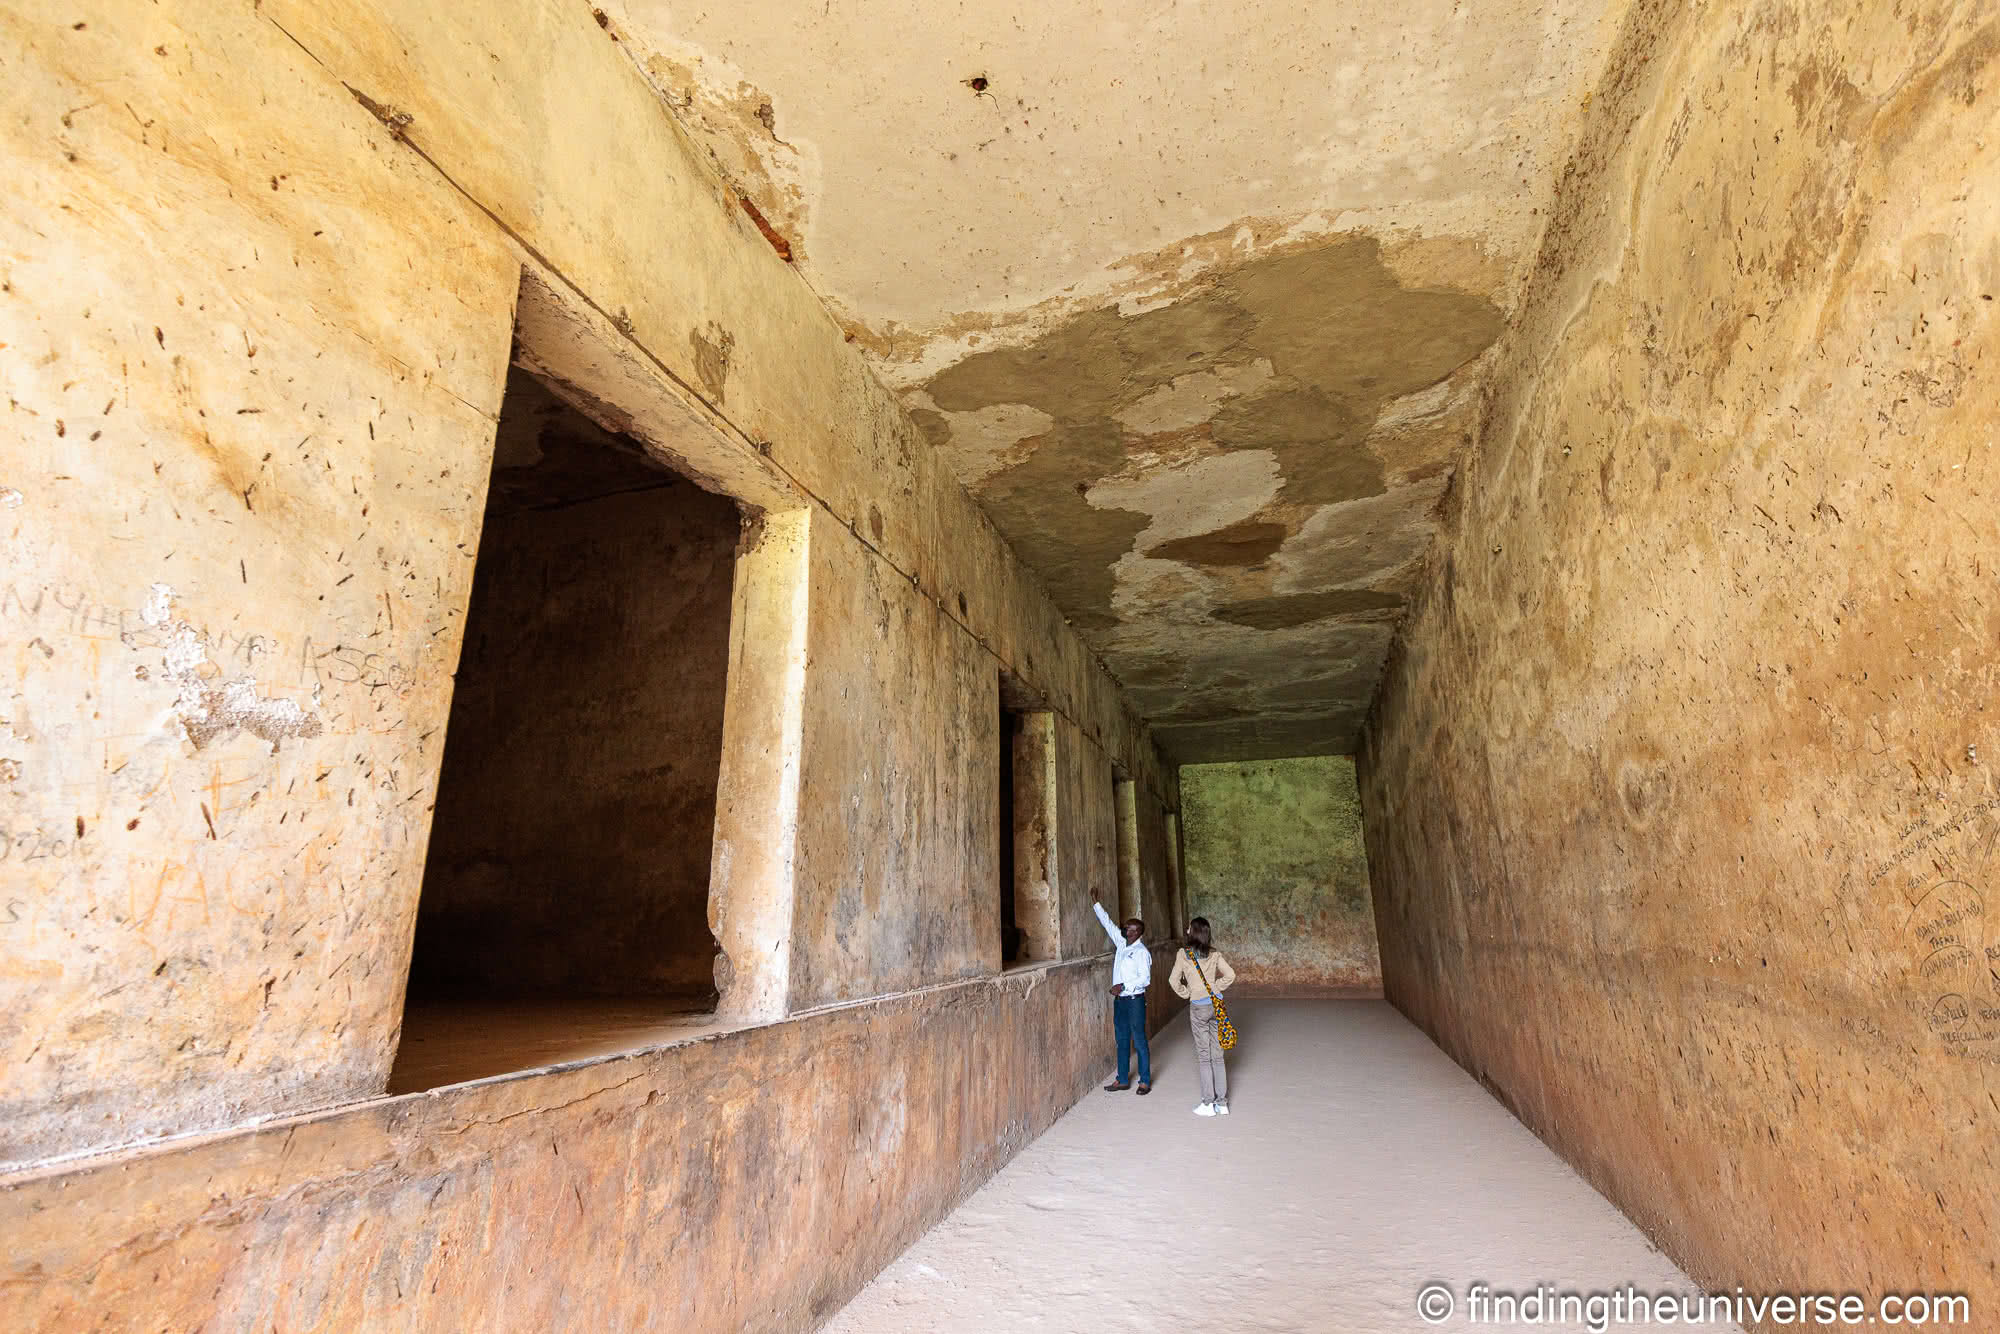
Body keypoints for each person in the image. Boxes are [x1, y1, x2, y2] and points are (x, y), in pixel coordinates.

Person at [1168, 916, 1236, 1116]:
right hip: (1216, 1006)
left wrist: (1187, 993)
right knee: (1218, 1055)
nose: (1187, 930)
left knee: (1204, 1057)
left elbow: (1173, 980)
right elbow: (1231, 975)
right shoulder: (1215, 954)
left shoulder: (1183, 954)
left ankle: (1208, 1103)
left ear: (1193, 931)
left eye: (1189, 928)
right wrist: (1216, 987)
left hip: (1198, 1007)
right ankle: (1222, 1104)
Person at [1093, 900, 1152, 1094]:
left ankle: (1144, 1081)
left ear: (1138, 933)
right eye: (1126, 928)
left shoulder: (1142, 953)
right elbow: (1107, 923)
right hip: (1120, 1002)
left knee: (1140, 1040)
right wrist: (1096, 903)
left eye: (1130, 929)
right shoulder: (1121, 944)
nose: (1126, 931)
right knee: (1122, 1039)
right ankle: (1123, 1079)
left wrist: (1124, 986)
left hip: (1135, 1001)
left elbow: (1145, 979)